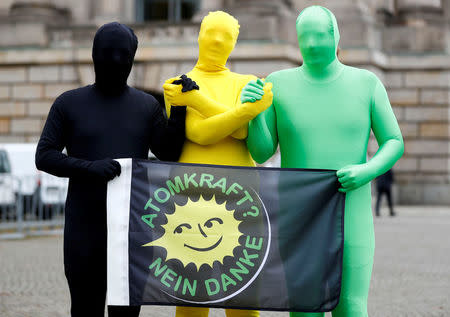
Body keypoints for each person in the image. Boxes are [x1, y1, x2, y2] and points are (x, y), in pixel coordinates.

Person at [243, 6, 404, 317]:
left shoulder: (366, 83)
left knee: (351, 306)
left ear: (336, 36)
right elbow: (261, 152)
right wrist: (252, 116)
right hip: (299, 214)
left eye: (320, 35)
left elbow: (394, 141)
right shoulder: (277, 83)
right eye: (305, 36)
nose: (313, 43)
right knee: (304, 308)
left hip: (351, 210)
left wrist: (367, 170)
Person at [35, 22, 186, 317]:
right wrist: (90, 168)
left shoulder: (147, 106)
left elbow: (169, 153)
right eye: (107, 53)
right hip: (84, 230)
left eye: (123, 54)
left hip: (131, 232)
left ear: (132, 58)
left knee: (127, 313)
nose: (115, 61)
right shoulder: (69, 103)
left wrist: (179, 109)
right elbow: (45, 156)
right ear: (94, 55)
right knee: (85, 309)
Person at [163, 11, 272, 317]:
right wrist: (243, 111)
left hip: (242, 203)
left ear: (235, 44)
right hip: (190, 205)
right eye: (211, 32)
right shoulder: (177, 85)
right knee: (191, 297)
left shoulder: (246, 82)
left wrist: (197, 100)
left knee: (243, 297)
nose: (217, 40)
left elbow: (239, 132)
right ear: (199, 35)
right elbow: (199, 133)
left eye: (226, 36)